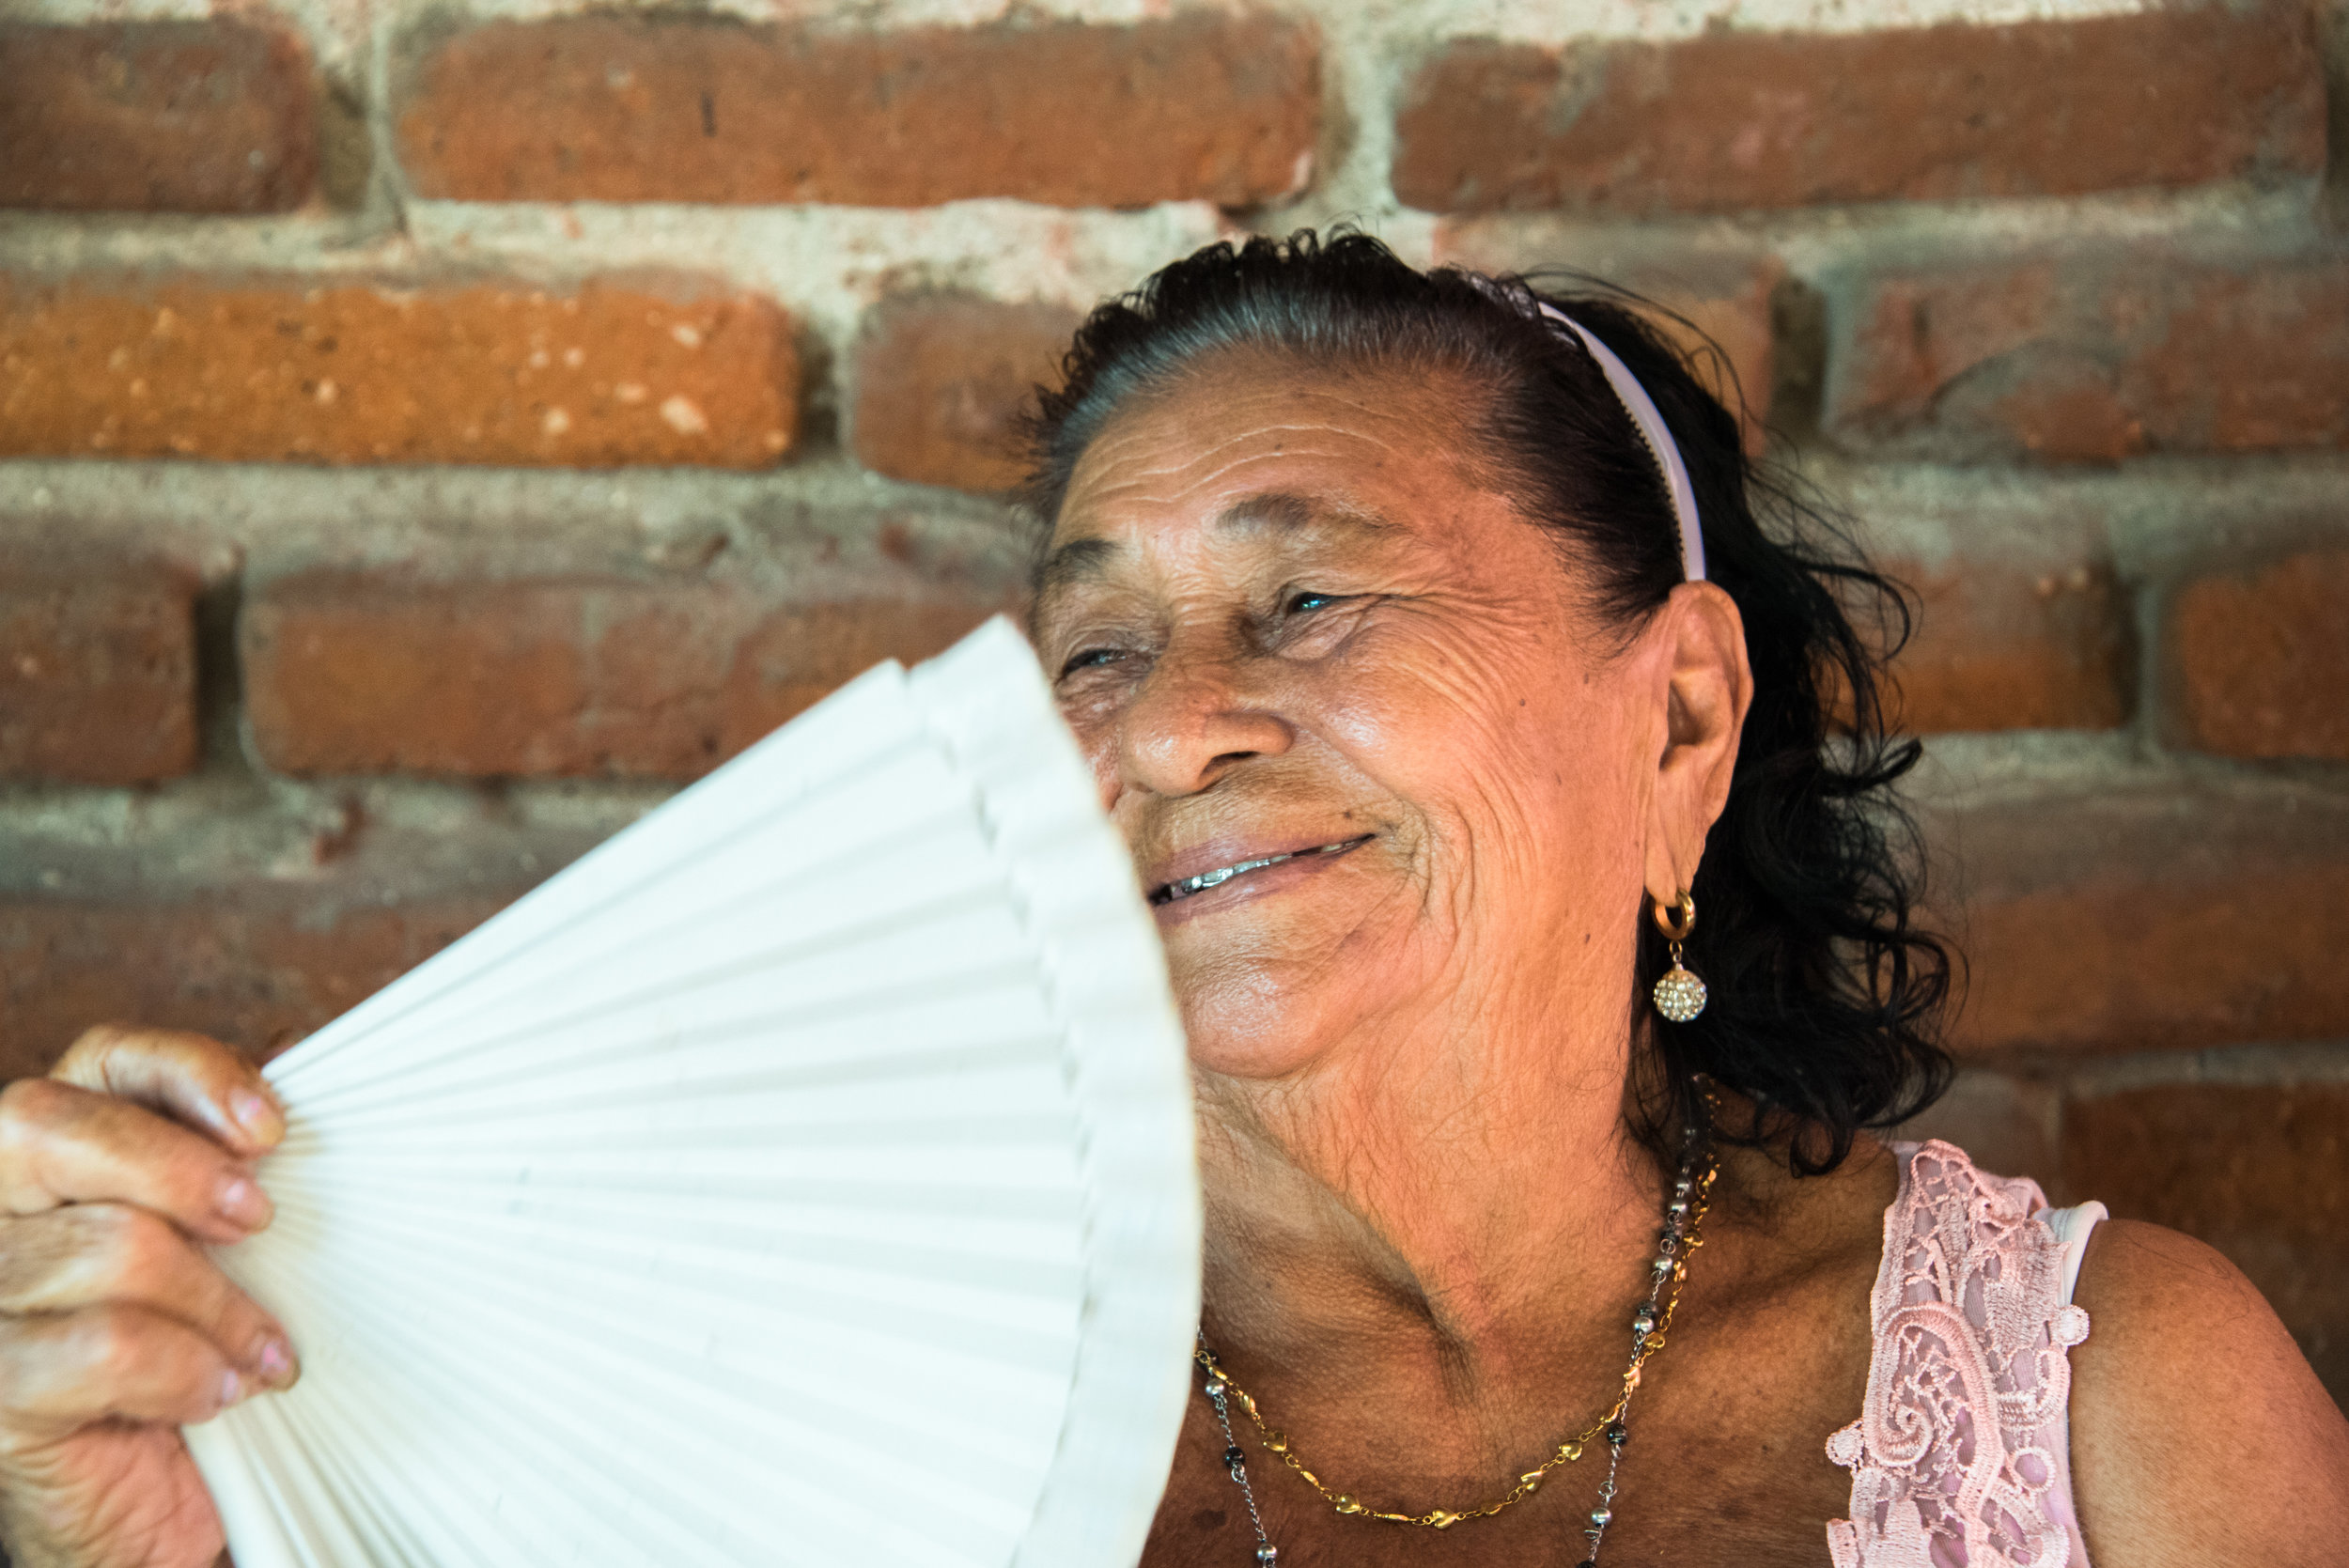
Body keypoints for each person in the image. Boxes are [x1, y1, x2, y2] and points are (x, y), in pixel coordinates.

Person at [2, 232, 2342, 1568]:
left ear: (1681, 723)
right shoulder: (777, 1400)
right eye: (1093, 646)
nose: (1157, 727)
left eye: (1307, 599)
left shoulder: (2115, 1415)